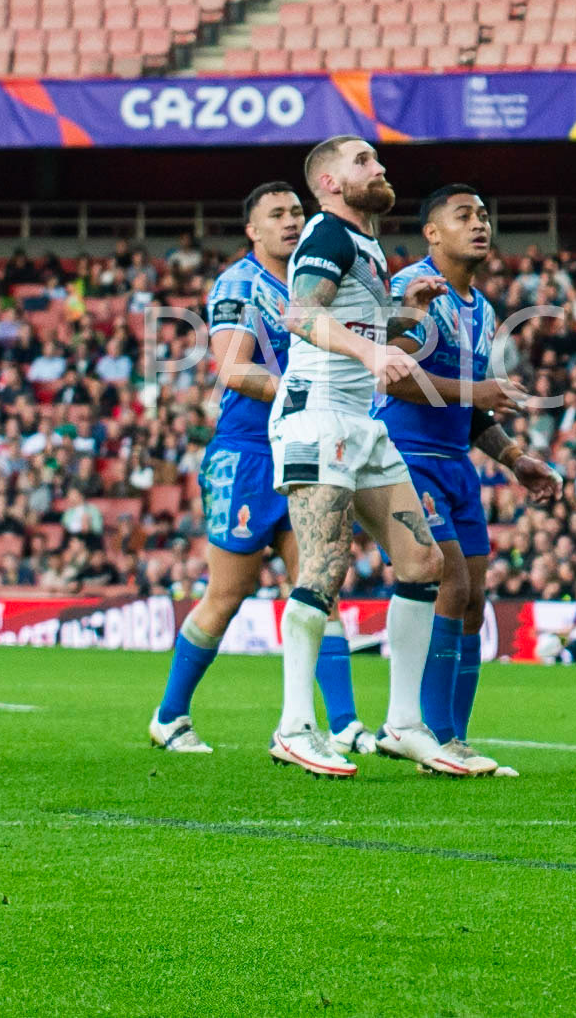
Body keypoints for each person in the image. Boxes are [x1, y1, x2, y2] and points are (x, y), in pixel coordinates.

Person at [149, 183, 376, 757]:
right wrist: (304, 391)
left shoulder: (316, 279)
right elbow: (231, 369)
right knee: (229, 592)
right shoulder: (240, 284)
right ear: (252, 230)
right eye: (275, 215)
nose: (290, 221)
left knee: (320, 580)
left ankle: (344, 722)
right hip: (248, 451)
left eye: (297, 211)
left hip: (300, 441)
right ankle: (170, 715)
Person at [266, 136, 454, 778]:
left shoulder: (366, 245)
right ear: (329, 183)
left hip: (357, 422)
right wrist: (375, 354)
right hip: (317, 416)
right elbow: (300, 314)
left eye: (378, 159)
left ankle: (402, 726)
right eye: (363, 161)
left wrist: (404, 318)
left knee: (423, 559)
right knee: (323, 565)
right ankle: (294, 726)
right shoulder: (328, 234)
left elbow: (355, 326)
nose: (379, 168)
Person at [375, 185, 564, 777]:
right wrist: (472, 392)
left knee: (475, 601)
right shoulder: (415, 288)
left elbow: (473, 410)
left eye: (485, 214)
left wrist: (513, 458)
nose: (480, 224)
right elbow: (392, 378)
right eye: (464, 216)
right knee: (448, 583)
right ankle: (436, 737)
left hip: (455, 460)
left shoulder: (480, 307)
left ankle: (452, 739)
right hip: (405, 455)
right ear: (433, 231)